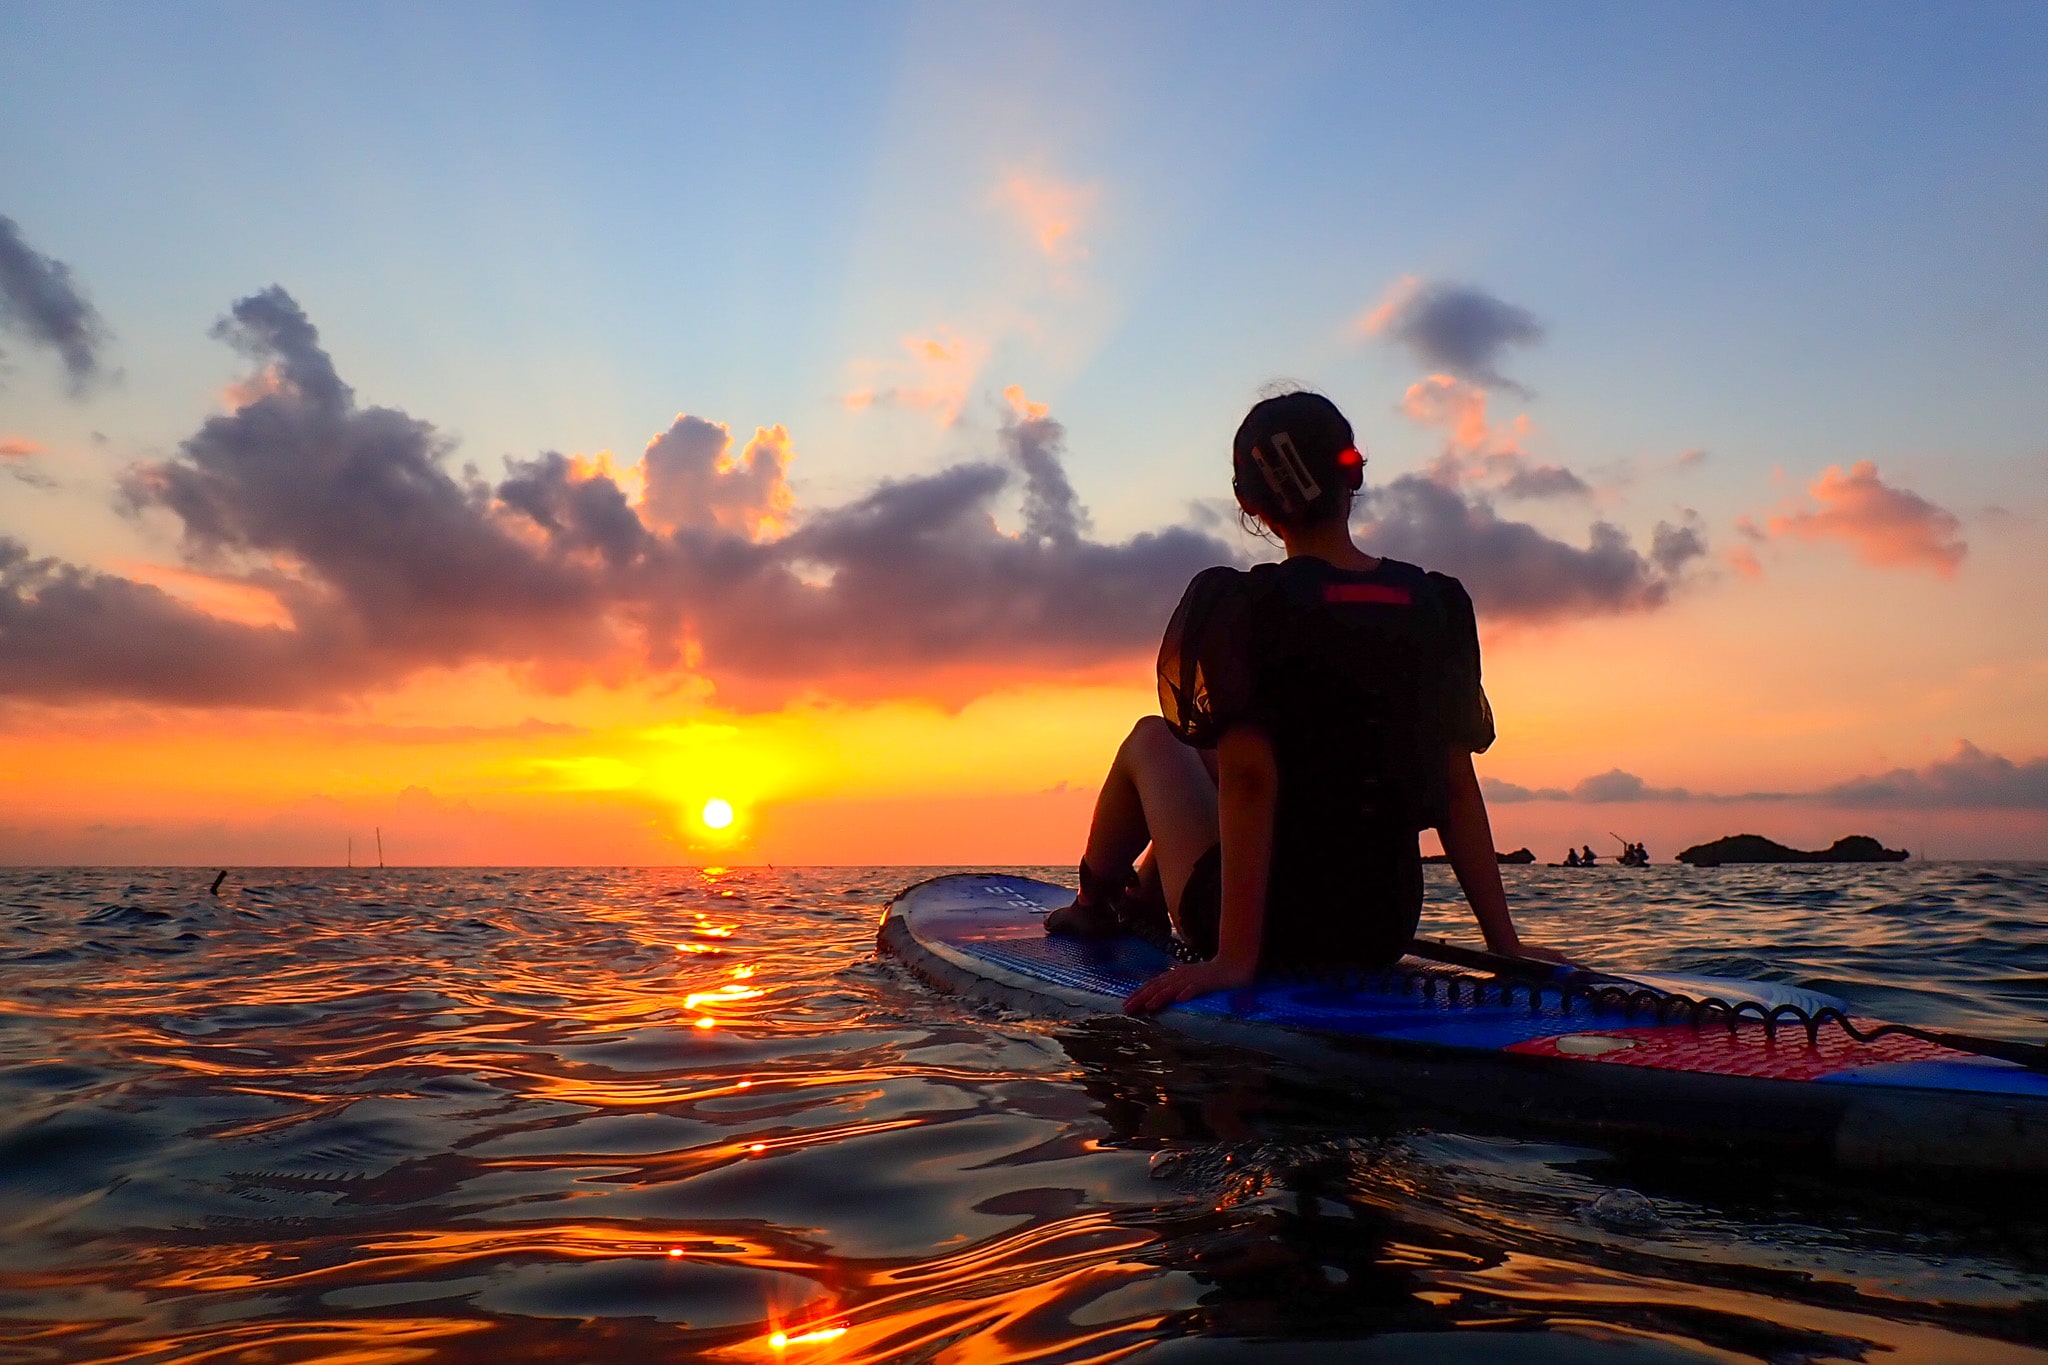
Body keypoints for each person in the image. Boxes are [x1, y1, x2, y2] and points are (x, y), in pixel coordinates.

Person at [1043, 390, 1565, 1014]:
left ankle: (1094, 901)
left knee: (1154, 739)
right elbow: (1455, 786)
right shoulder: (1433, 605)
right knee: (1207, 759)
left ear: (1249, 503)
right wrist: (1504, 946)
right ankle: (1141, 899)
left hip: (1272, 929)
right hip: (1381, 923)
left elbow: (1250, 779)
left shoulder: (1246, 607)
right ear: (1355, 476)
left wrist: (1235, 959)